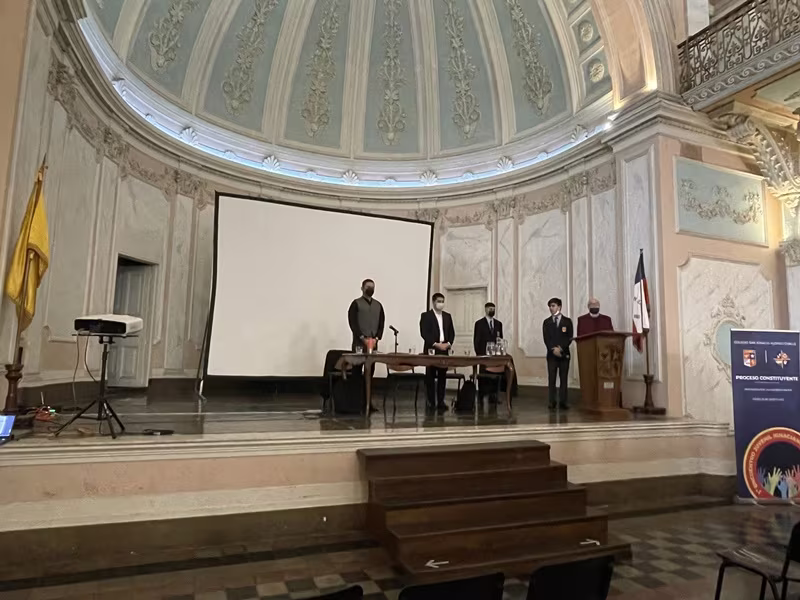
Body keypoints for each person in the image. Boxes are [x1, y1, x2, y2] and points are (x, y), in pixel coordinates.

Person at [420, 293, 455, 413]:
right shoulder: (426, 316)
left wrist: (448, 343)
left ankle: (441, 401)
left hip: (444, 349)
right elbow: (424, 333)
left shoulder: (447, 316)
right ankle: (431, 401)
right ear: (433, 302)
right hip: (432, 348)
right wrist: (435, 344)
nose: (441, 303)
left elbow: (452, 332)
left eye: (442, 301)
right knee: (430, 376)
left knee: (442, 376)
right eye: (439, 301)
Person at [542, 297, 573, 410]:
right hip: (551, 355)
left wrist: (560, 348)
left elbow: (569, 337)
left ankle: (563, 401)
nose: (551, 308)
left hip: (564, 354)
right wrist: (553, 349)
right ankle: (552, 401)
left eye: (553, 306)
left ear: (559, 307)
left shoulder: (567, 321)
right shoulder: (547, 322)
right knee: (552, 379)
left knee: (563, 379)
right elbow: (546, 338)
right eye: (550, 306)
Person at [474, 302, 504, 405]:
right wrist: (479, 354)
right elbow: (476, 340)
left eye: (493, 309)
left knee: (495, 375)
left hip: (495, 355)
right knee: (483, 376)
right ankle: (481, 396)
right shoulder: (479, 323)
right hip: (483, 355)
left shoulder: (498, 324)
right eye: (490, 309)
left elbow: (500, 339)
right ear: (485, 309)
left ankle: (493, 396)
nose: (492, 311)